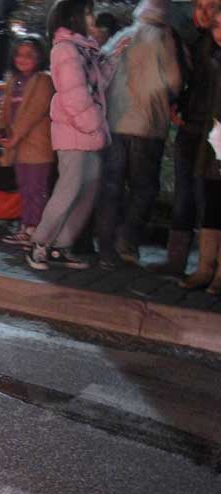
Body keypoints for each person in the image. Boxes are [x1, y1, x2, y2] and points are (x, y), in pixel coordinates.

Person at [24, 0, 120, 270]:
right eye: (88, 12)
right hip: (74, 131)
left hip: (87, 130)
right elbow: (74, 95)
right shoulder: (66, 50)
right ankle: (39, 243)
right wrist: (93, 122)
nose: (92, 17)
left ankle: (60, 246)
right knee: (68, 190)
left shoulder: (82, 48)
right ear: (75, 16)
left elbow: (96, 82)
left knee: (87, 187)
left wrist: (113, 57)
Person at [95, 0, 182, 268]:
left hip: (114, 123)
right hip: (147, 125)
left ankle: (106, 247)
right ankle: (127, 241)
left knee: (111, 187)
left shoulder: (123, 35)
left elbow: (101, 70)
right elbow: (174, 81)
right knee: (144, 188)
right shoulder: (164, 38)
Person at [159, 0, 218, 276]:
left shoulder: (210, 45)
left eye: (213, 6)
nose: (205, 13)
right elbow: (191, 85)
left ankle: (207, 266)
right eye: (200, 6)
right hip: (191, 127)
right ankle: (178, 261)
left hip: (211, 132)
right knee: (186, 194)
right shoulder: (194, 41)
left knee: (207, 196)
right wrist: (179, 105)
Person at [0, 35, 55, 247]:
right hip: (18, 145)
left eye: (29, 55)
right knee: (24, 187)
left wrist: (14, 138)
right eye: (19, 54)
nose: (23, 59)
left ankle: (34, 229)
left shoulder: (44, 80)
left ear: (40, 57)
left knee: (36, 188)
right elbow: (4, 109)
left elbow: (33, 113)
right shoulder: (14, 80)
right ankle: (26, 226)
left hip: (37, 144)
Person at [183, 6, 221, 294]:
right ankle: (205, 267)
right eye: (216, 26)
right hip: (213, 137)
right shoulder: (209, 54)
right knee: (212, 202)